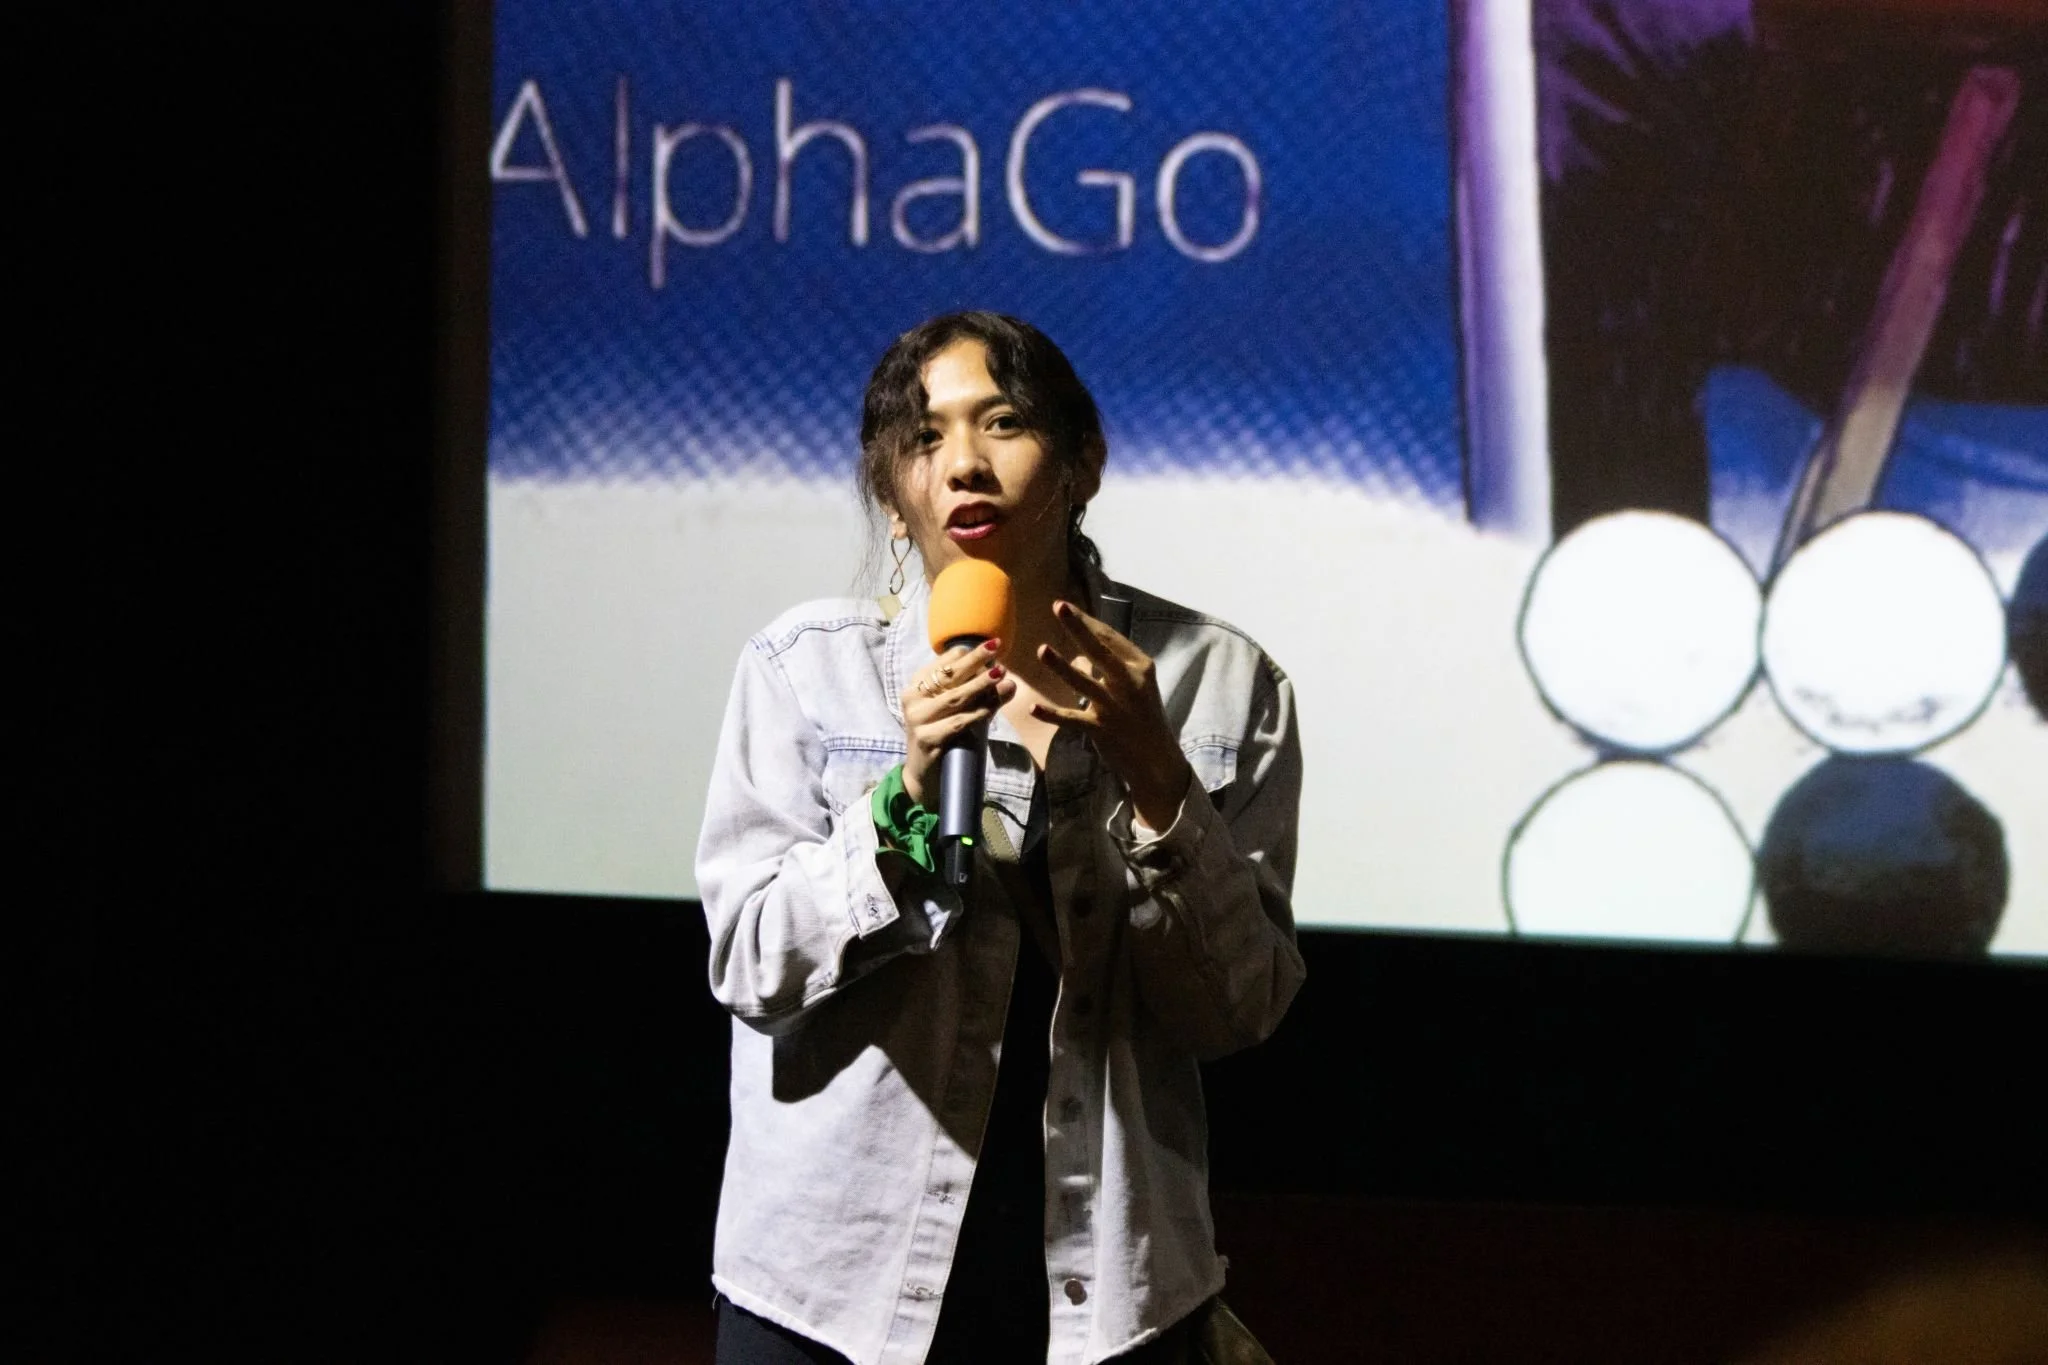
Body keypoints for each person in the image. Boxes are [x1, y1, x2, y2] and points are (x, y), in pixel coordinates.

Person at [696, 312, 1305, 1365]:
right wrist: (902, 798)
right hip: (833, 1289)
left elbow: (1237, 1006)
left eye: (1004, 422)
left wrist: (1156, 773)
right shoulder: (802, 671)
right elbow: (752, 965)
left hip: (1105, 1292)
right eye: (923, 439)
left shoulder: (1218, 682)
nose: (963, 466)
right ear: (891, 494)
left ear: (1083, 463)